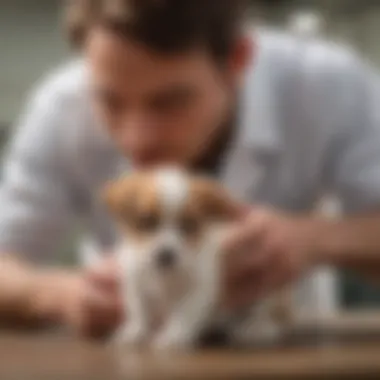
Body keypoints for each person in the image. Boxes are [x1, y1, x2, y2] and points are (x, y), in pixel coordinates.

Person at [1, 0, 380, 339]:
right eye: (110, 102)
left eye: (170, 102)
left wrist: (316, 240)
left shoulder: (329, 86)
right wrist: (61, 295)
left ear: (238, 60)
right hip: (137, 343)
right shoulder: (59, 108)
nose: (137, 139)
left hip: (275, 340)